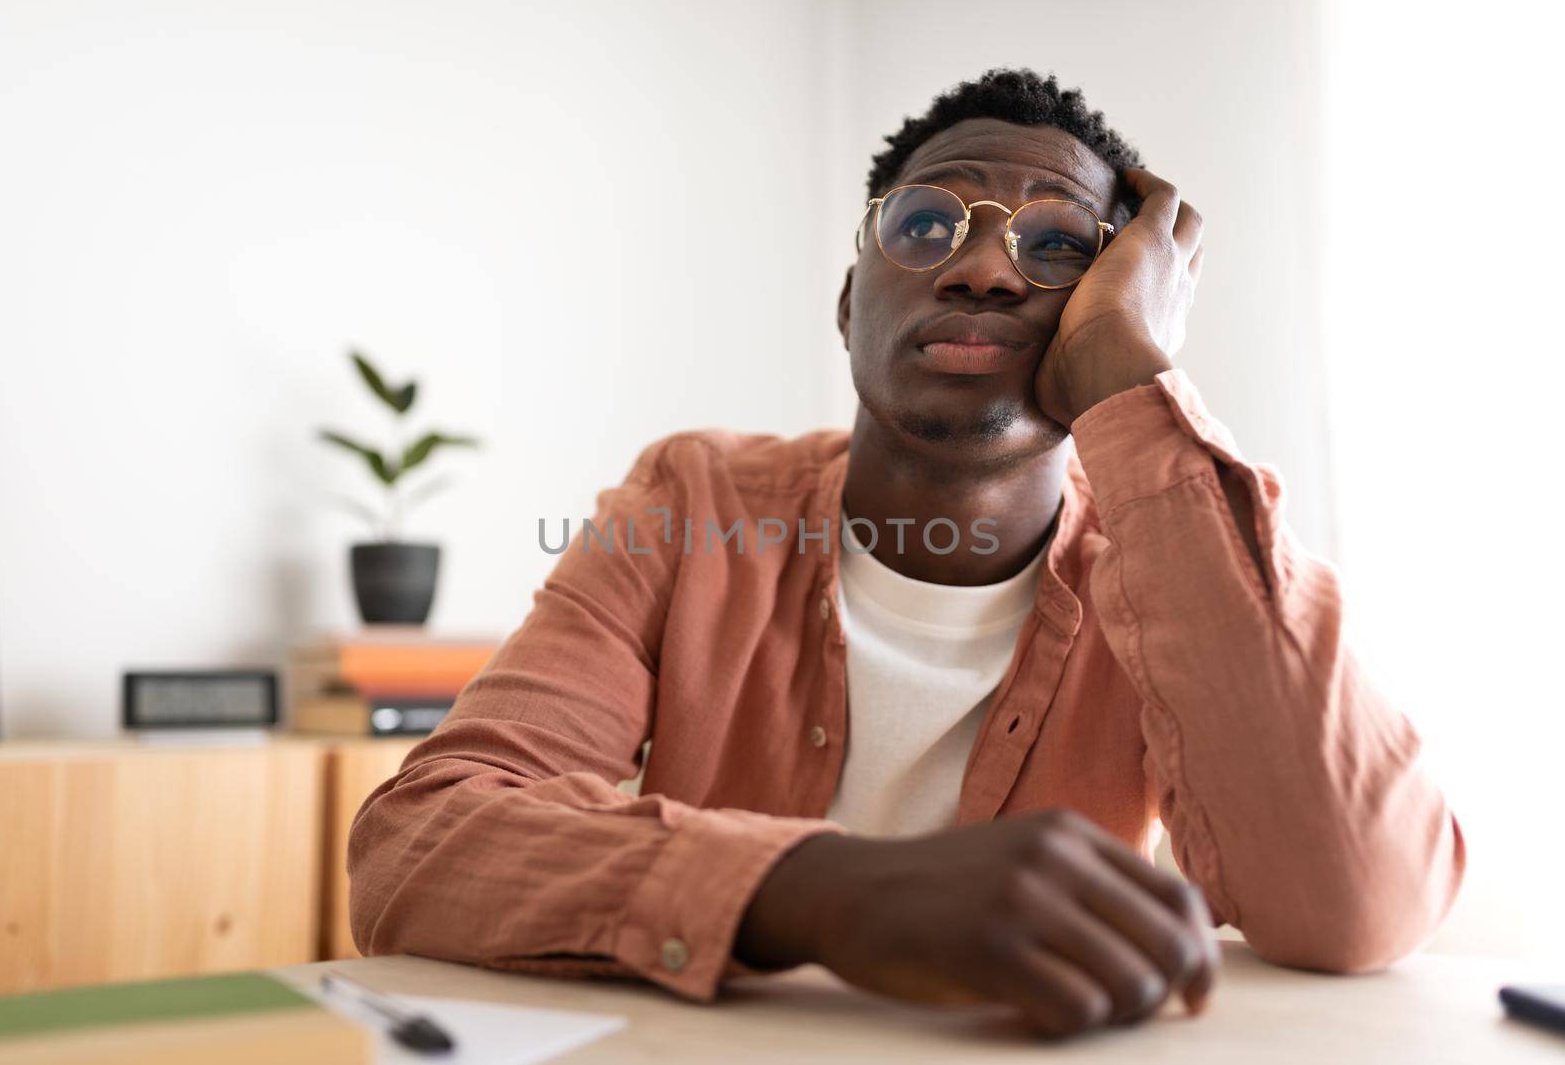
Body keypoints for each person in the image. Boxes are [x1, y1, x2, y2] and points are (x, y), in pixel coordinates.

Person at [347, 68, 1464, 1039]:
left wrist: (1133, 380)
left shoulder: (1179, 550)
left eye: (1057, 246)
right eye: (925, 226)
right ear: (848, 304)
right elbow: (419, 842)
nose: (981, 269)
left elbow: (1356, 897)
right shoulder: (689, 501)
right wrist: (828, 891)